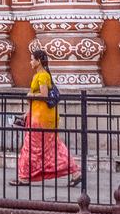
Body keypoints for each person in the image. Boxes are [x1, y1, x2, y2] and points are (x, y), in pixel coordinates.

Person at [16, 49, 79, 186]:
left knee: (32, 146)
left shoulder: (43, 76)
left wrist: (30, 96)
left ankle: (24, 177)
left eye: (32, 59)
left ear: (39, 61)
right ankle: (75, 172)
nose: (30, 62)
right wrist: (26, 114)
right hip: (39, 115)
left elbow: (44, 95)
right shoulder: (38, 76)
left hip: (41, 118)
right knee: (53, 146)